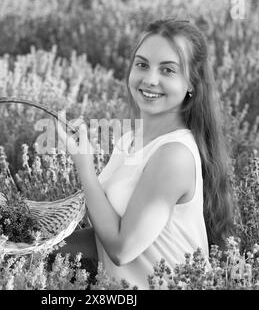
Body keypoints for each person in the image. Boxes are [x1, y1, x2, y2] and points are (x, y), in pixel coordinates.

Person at [53, 18, 235, 289]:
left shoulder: (174, 155)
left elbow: (122, 248)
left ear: (192, 83)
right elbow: (106, 233)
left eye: (168, 70)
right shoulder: (130, 141)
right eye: (142, 65)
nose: (150, 79)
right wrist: (31, 244)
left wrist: (84, 165)